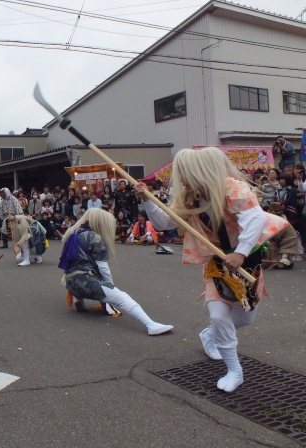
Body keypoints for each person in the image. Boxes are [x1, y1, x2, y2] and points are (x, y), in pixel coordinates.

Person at [136, 147, 288, 393]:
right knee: (219, 315)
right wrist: (147, 200)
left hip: (248, 260)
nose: (181, 179)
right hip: (217, 263)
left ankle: (210, 335)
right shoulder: (189, 197)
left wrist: (240, 252)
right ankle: (234, 370)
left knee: (245, 317)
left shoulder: (232, 187)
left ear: (199, 171)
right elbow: (164, 223)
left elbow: (256, 219)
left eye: (184, 173)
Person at [59, 208, 174, 336]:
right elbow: (103, 268)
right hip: (86, 282)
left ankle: (77, 299)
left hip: (69, 281)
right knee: (122, 297)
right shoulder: (96, 238)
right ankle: (150, 325)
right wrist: (110, 289)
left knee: (80, 274)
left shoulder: (73, 233)